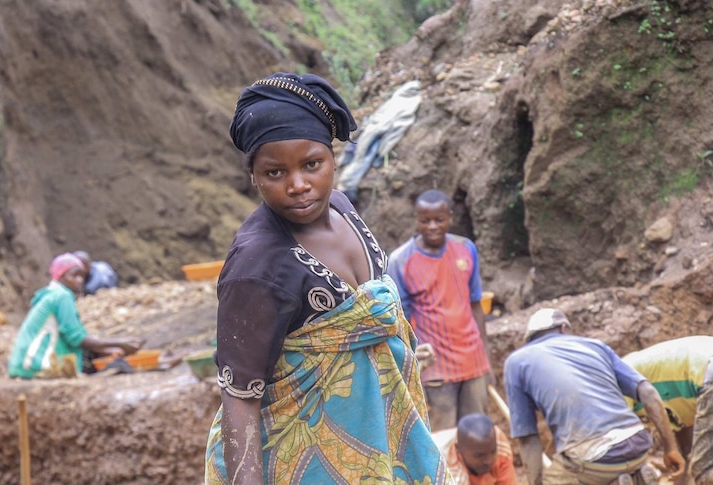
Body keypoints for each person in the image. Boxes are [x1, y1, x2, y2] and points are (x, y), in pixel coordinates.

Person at [204, 72, 451, 484]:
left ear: (334, 159)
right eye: (275, 173)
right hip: (304, 460)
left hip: (378, 442)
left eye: (311, 164)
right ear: (254, 176)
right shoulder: (257, 263)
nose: (299, 185)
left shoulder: (341, 207)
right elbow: (239, 395)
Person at [504, 308, 685, 485]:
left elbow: (528, 438)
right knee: (599, 465)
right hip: (638, 444)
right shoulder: (594, 346)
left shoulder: (517, 362)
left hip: (593, 459)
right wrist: (671, 448)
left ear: (529, 340)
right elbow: (649, 393)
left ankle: (613, 478)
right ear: (564, 329)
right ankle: (633, 474)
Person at [386, 189, 492, 430]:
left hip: (473, 359)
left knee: (477, 431)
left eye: (439, 220)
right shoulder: (401, 260)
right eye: (425, 221)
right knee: (444, 437)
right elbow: (399, 318)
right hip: (435, 366)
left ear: (450, 218)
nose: (432, 226)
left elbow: (476, 303)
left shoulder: (466, 249)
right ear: (416, 220)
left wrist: (486, 356)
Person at [623, 336, 713, 485]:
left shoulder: (613, 384)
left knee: (707, 472)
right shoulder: (639, 371)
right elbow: (687, 434)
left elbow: (622, 439)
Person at [7, 253, 143, 379]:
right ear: (60, 276)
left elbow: (70, 336)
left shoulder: (51, 295)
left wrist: (110, 350)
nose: (79, 280)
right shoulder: (62, 296)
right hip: (35, 365)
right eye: (74, 276)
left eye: (82, 276)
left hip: (21, 364)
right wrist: (121, 342)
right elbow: (76, 338)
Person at [431, 413, 516, 485]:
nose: (489, 461)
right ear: (458, 449)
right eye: (479, 455)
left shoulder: (499, 445)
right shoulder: (441, 464)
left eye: (493, 452)